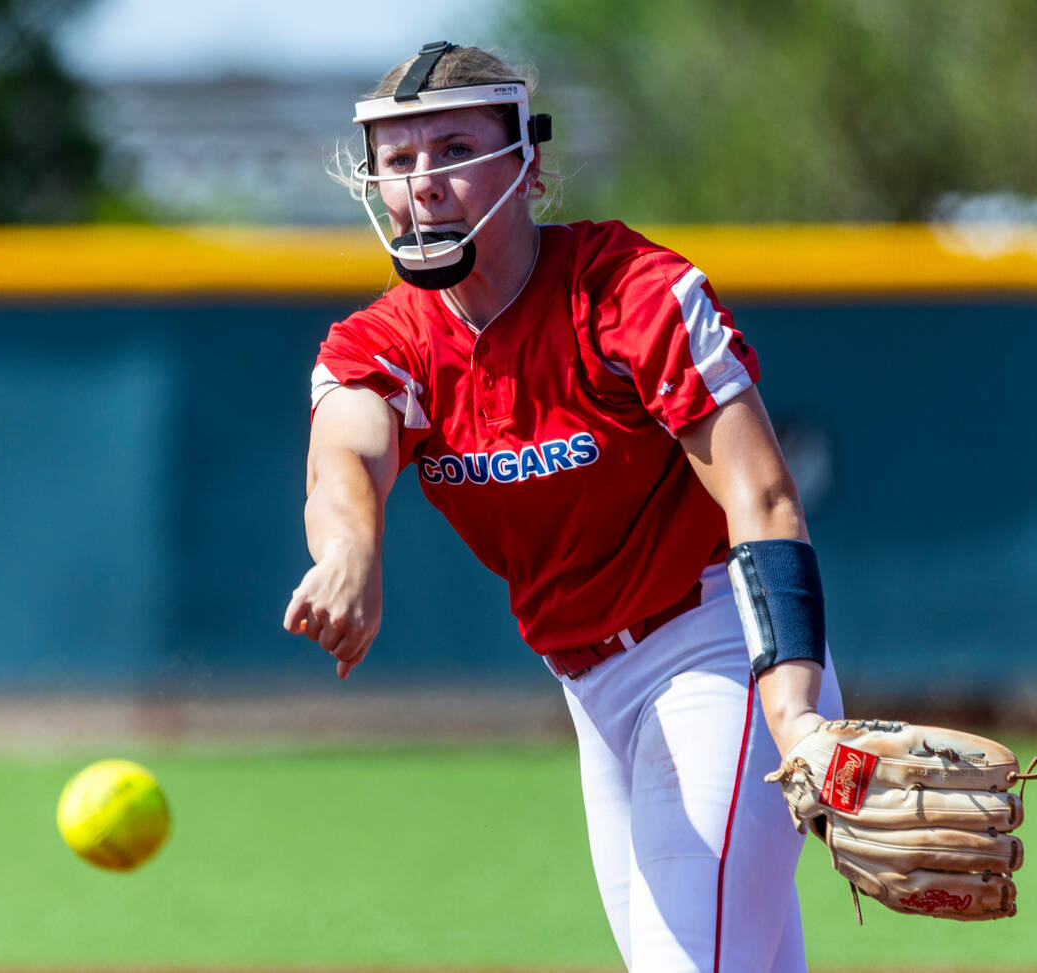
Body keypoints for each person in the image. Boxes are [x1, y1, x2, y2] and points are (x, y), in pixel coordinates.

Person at [283, 41, 844, 973]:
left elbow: (766, 495)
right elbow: (345, 449)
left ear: (528, 164)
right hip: (590, 688)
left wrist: (794, 711)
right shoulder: (385, 342)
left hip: (719, 656)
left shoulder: (629, 294)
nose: (423, 183)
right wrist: (347, 553)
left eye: (454, 149)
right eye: (397, 159)